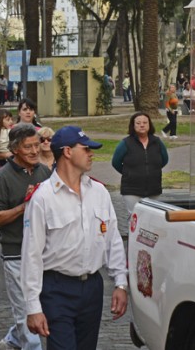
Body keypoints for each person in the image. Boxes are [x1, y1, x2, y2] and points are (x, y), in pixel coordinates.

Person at [21, 126, 128, 349]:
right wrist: (33, 308)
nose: (91, 153)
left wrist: (120, 283)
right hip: (57, 289)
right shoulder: (43, 197)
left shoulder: (99, 192)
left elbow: (113, 241)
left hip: (92, 288)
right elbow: (31, 255)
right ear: (67, 152)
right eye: (86, 148)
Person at [0, 124, 51, 350]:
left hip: (44, 253)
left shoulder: (44, 172)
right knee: (26, 312)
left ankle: (13, 338)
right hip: (16, 253)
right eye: (28, 147)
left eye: (37, 145)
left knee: (40, 307)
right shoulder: (2, 177)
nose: (35, 151)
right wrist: (24, 207)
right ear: (15, 149)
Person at [112, 113, 169, 216]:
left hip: (154, 188)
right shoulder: (126, 143)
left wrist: (153, 170)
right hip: (131, 189)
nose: (142, 125)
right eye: (138, 123)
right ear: (133, 126)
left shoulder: (157, 142)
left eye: (145, 123)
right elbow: (115, 162)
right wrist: (128, 172)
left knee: (152, 218)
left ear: (149, 125)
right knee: (135, 218)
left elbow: (164, 160)